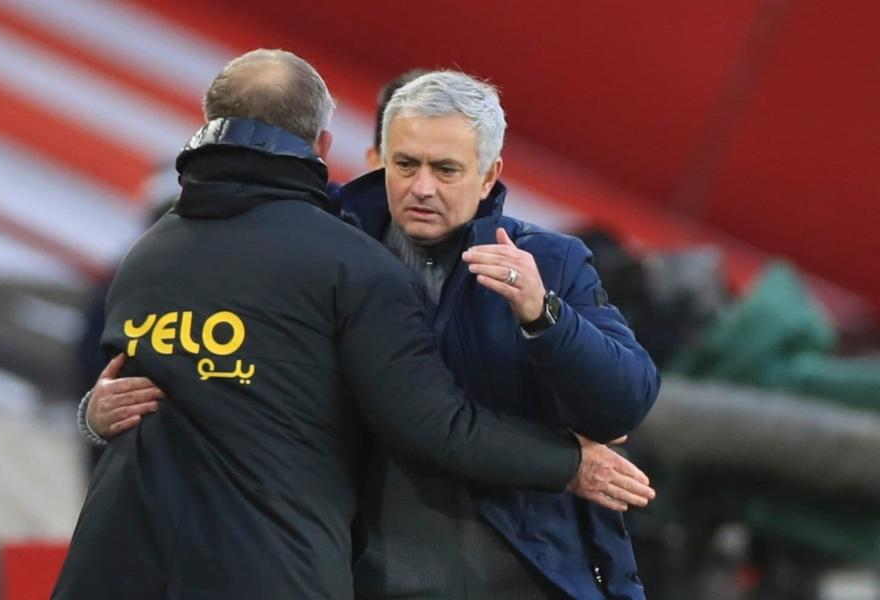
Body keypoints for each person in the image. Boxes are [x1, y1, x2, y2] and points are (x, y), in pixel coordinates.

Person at [55, 51, 653, 600]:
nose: (422, 187)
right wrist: (94, 411)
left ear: (489, 174)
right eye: (406, 164)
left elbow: (621, 403)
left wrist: (544, 315)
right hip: (357, 571)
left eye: (446, 170)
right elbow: (429, 421)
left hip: (511, 573)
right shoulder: (333, 245)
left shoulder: (548, 262)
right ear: (372, 158)